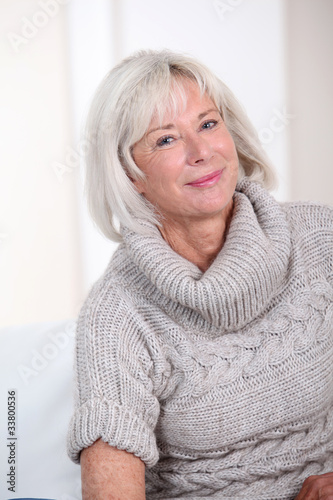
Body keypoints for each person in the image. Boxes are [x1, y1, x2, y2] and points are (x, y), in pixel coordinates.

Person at [67, 49, 333, 499]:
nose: (202, 152)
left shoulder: (319, 237)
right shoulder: (116, 316)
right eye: (166, 140)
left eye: (208, 124)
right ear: (131, 174)